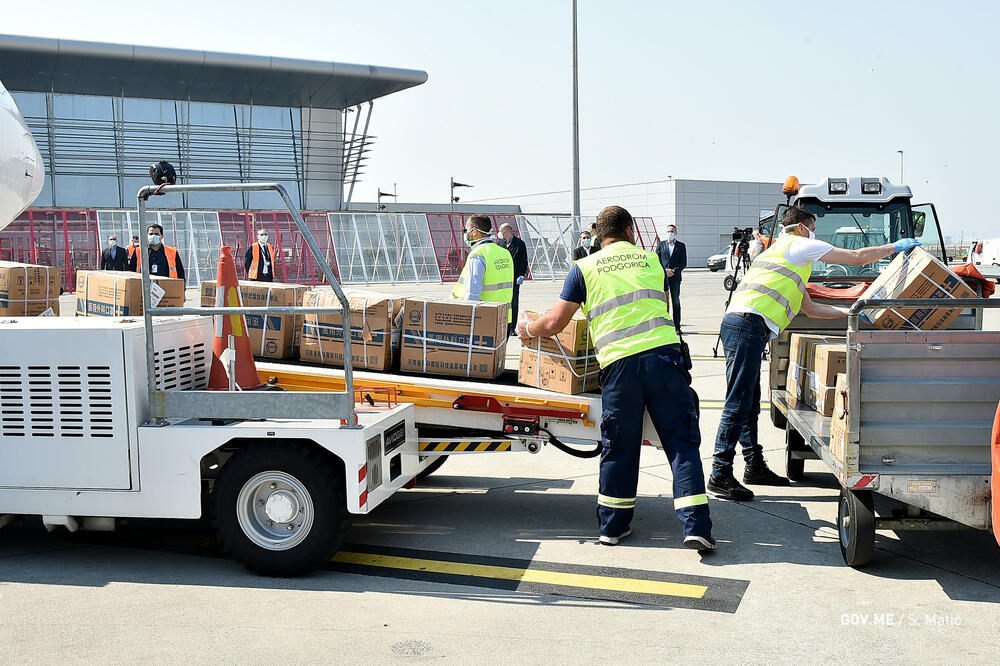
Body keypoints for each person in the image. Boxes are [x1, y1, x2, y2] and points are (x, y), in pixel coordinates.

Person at [516, 205, 714, 552]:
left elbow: (555, 324)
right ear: (630, 231)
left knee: (619, 447)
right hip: (664, 359)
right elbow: (664, 309)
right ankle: (696, 527)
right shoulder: (652, 261)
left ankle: (612, 527)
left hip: (620, 367)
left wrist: (527, 328)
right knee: (681, 443)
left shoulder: (584, 268)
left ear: (597, 235)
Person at [709, 206, 922, 501]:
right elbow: (857, 258)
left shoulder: (783, 257)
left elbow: (811, 309)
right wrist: (894, 248)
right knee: (738, 402)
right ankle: (719, 473)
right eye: (813, 227)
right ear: (800, 226)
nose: (814, 234)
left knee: (748, 401)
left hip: (745, 325)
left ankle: (754, 465)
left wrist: (850, 312)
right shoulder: (799, 245)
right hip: (747, 324)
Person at [451, 215, 515, 325]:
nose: (465, 234)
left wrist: (467, 320)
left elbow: (472, 293)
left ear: (474, 231)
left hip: (483, 319)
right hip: (503, 318)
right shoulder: (504, 253)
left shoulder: (478, 254)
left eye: (466, 230)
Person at [655, 224, 687, 332]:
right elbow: (656, 260)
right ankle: (664, 325)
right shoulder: (661, 245)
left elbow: (683, 262)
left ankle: (677, 326)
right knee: (663, 301)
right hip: (663, 277)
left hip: (675, 277)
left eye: (672, 231)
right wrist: (665, 270)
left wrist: (674, 271)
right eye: (668, 231)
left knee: (675, 301)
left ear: (676, 233)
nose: (670, 233)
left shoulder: (681, 246)